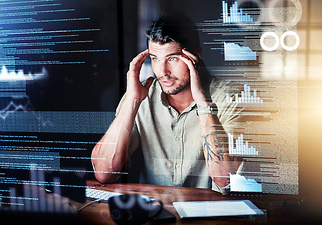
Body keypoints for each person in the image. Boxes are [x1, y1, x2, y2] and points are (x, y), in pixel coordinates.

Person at [91, 13, 242, 194]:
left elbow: (225, 179)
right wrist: (132, 101)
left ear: (196, 57)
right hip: (153, 215)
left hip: (211, 217)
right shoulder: (141, 96)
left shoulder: (231, 98)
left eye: (172, 59)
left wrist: (204, 105)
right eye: (155, 58)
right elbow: (104, 173)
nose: (162, 72)